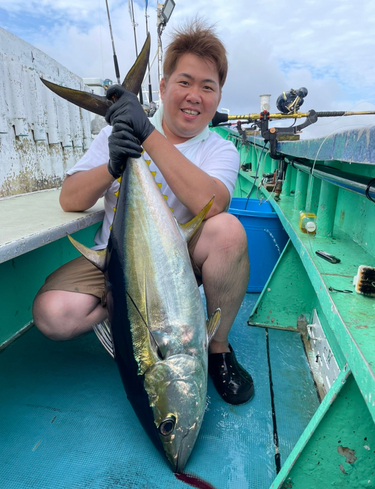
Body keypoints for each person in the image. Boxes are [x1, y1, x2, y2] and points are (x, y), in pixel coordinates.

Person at [33, 20, 254, 405]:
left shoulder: (220, 150)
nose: (194, 96)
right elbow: (70, 199)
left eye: (207, 87)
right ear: (164, 87)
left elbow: (213, 204)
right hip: (114, 262)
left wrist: (146, 134)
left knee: (228, 231)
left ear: (218, 98)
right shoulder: (113, 136)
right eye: (184, 82)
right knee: (52, 314)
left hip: (181, 263)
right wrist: (113, 164)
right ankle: (128, 320)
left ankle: (217, 347)